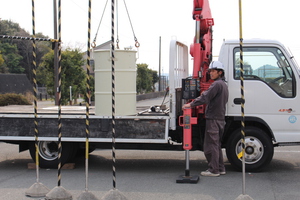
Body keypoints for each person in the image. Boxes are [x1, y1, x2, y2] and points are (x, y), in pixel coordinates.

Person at [182, 61, 229, 177]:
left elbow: (205, 97)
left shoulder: (216, 85)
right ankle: (220, 168)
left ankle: (213, 170)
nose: (210, 73)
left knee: (210, 145)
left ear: (220, 72)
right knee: (216, 144)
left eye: (213, 71)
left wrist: (191, 104)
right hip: (220, 118)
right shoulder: (224, 85)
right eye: (210, 71)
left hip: (213, 118)